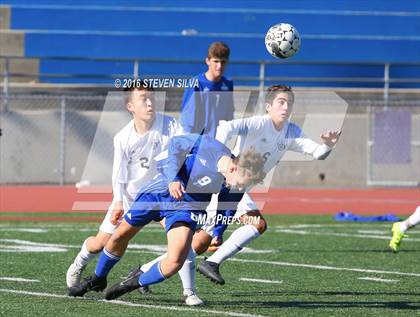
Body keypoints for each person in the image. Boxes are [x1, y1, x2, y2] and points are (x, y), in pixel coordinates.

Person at [67, 133, 266, 300]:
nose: (240, 188)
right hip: (160, 192)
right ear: (233, 168)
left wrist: (218, 231)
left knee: (175, 260)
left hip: (188, 208)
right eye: (240, 182)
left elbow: (227, 208)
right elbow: (175, 145)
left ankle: (131, 283)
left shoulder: (234, 184)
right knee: (119, 236)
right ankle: (98, 278)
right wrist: (173, 179)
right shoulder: (208, 145)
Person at [194, 84, 342, 285]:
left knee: (199, 243)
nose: (285, 107)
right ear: (268, 107)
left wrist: (328, 145)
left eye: (289, 103)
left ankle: (145, 274)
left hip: (238, 190)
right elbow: (225, 126)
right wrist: (219, 157)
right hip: (227, 184)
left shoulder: (291, 132)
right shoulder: (258, 124)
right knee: (255, 225)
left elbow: (318, 154)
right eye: (280, 102)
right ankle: (208, 263)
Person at [65, 84, 176, 290]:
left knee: (186, 242)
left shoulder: (170, 125)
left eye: (151, 97)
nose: (150, 103)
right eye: (143, 99)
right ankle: (79, 262)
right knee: (100, 244)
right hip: (131, 200)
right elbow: (119, 175)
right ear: (130, 107)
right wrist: (118, 201)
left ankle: (182, 289)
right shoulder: (123, 138)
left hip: (163, 198)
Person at [179, 41, 234, 137]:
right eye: (216, 61)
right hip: (199, 142)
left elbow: (229, 115)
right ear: (207, 61)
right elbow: (187, 120)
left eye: (223, 62)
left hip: (219, 142)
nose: (219, 66)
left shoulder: (228, 84)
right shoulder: (196, 83)